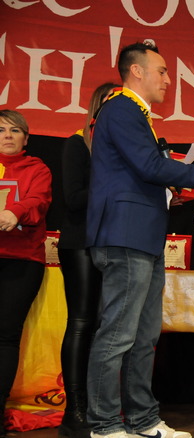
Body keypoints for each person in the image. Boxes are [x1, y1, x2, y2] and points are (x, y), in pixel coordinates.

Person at [85, 41, 194, 438]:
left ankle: (142, 420)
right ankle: (104, 425)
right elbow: (147, 165)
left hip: (143, 236)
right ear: (136, 71)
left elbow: (140, 172)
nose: (167, 79)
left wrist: (169, 191)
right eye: (161, 71)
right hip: (124, 236)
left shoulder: (137, 114)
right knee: (118, 335)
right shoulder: (121, 107)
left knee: (144, 337)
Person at [57, 82, 120, 438]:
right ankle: (74, 409)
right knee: (82, 322)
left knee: (104, 327)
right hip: (81, 242)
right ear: (98, 107)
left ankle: (102, 406)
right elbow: (73, 198)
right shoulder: (77, 143)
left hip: (115, 244)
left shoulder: (126, 148)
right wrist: (115, 183)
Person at [0, 109, 52, 438]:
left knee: (5, 336)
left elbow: (38, 201)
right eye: (0, 130)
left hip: (21, 260)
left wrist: (13, 211)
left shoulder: (37, 169)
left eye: (14, 130)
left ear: (26, 138)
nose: (7, 136)